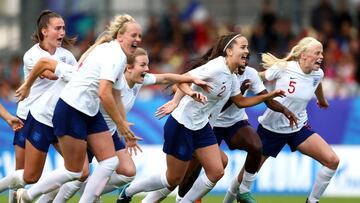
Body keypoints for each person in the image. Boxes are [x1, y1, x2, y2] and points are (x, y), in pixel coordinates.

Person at [116, 32, 286, 203]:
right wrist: (178, 101)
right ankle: (129, 191)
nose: (247, 51)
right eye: (242, 47)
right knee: (172, 179)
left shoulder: (232, 76)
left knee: (217, 170)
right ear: (229, 51)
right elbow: (182, 80)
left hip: (202, 126)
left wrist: (268, 96)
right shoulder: (215, 67)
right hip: (182, 124)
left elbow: (240, 102)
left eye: (247, 47)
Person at [16, 14, 141, 203]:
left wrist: (123, 123)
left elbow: (114, 93)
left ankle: (82, 200)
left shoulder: (116, 55)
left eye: (140, 36)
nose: (138, 40)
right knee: (74, 171)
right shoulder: (113, 55)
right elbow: (104, 93)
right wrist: (26, 86)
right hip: (70, 108)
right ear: (120, 36)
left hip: (88, 111)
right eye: (134, 35)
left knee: (109, 162)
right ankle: (28, 195)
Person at [145, 55, 298, 203]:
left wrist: (283, 109)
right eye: (242, 51)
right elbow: (225, 103)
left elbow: (246, 102)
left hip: (234, 123)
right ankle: (156, 198)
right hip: (209, 125)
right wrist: (179, 98)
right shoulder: (217, 71)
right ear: (229, 53)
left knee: (254, 147)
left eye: (247, 55)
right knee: (181, 176)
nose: (245, 58)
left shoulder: (250, 74)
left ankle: (244, 190)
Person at [0, 10, 76, 202]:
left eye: (63, 28)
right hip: (28, 117)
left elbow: (77, 80)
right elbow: (49, 73)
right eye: (57, 28)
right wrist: (72, 73)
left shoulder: (67, 55)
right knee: (23, 174)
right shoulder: (32, 55)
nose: (62, 32)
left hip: (55, 116)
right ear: (44, 31)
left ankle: (44, 199)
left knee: (75, 169)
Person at [256, 37, 339, 203]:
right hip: (272, 129)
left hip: (298, 127)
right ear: (303, 56)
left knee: (332, 160)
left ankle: (312, 201)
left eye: (322, 52)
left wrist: (321, 100)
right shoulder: (284, 68)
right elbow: (257, 77)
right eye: (317, 53)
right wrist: (260, 95)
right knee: (247, 175)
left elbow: (317, 83)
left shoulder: (318, 73)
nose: (321, 56)